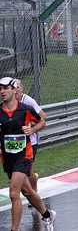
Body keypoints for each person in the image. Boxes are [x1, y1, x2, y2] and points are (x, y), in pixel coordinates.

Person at [0, 77, 56, 230]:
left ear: (14, 90)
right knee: (26, 191)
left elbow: (42, 121)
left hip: (24, 155)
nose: (2, 91)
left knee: (13, 193)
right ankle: (47, 215)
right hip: (8, 157)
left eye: (5, 88)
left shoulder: (24, 109)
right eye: (0, 89)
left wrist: (32, 130)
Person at [14, 79, 46, 199]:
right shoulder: (8, 103)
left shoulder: (28, 101)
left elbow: (43, 116)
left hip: (30, 141)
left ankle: (34, 193)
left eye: (17, 87)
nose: (15, 90)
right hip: (15, 142)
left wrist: (30, 127)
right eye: (13, 87)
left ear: (22, 88)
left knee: (27, 171)